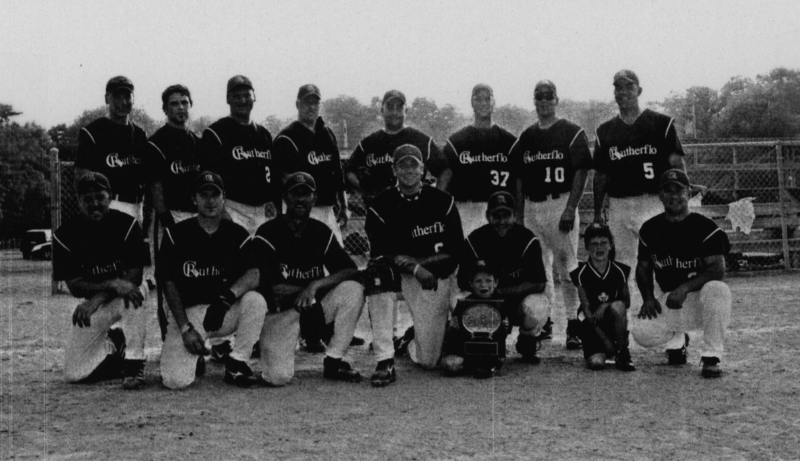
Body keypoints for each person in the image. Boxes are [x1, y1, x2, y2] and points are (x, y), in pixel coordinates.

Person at [247, 172, 365, 386]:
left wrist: (314, 286)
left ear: (314, 198)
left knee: (353, 289)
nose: (300, 199)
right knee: (277, 377)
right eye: (295, 194)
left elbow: (350, 270)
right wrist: (305, 291)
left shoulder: (320, 231)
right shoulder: (268, 232)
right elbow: (273, 288)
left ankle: (334, 359)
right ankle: (271, 346)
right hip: (280, 314)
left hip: (311, 306)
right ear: (285, 197)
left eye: (306, 194)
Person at [365, 144, 464, 386]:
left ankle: (409, 340)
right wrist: (415, 269)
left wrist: (420, 263)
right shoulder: (380, 204)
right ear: (394, 170)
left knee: (429, 361)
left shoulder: (443, 201)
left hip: (433, 278)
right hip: (399, 276)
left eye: (414, 165)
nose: (409, 170)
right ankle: (384, 359)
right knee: (377, 274)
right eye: (403, 165)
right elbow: (380, 256)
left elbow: (456, 251)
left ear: (423, 170)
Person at [158, 171, 268, 389]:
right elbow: (168, 285)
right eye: (204, 195)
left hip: (223, 311)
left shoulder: (237, 233)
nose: (210, 201)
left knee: (255, 301)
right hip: (190, 314)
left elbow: (254, 274)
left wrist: (227, 298)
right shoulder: (175, 234)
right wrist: (184, 328)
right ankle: (195, 353)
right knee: (175, 381)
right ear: (194, 199)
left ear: (223, 197)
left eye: (215, 195)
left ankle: (237, 362)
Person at [510, 79, 591, 350]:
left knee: (568, 267)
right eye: (539, 97)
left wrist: (571, 207)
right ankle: (544, 322)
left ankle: (574, 323)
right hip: (533, 206)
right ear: (534, 101)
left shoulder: (571, 131)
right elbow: (519, 180)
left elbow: (581, 171)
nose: (544, 101)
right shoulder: (527, 136)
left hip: (560, 202)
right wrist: (520, 217)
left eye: (548, 96)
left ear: (557, 99)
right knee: (539, 269)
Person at [592, 69, 686, 302]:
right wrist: (596, 212)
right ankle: (625, 321)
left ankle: (671, 325)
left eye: (628, 87)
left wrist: (682, 200)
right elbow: (601, 174)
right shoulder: (605, 131)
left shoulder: (661, 123)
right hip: (620, 203)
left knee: (662, 260)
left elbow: (676, 164)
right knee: (623, 264)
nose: (622, 92)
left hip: (653, 200)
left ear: (639, 90)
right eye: (618, 87)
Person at [53, 172, 150, 389]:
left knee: (136, 292)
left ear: (110, 197)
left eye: (100, 197)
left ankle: (134, 361)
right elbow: (75, 285)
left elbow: (134, 276)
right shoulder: (65, 234)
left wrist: (100, 296)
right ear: (78, 201)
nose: (95, 204)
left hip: (117, 299)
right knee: (73, 374)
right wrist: (111, 285)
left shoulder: (127, 224)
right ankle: (116, 347)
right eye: (87, 199)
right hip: (95, 304)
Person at [631, 169, 731, 378]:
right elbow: (643, 268)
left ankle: (712, 356)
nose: (674, 196)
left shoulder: (705, 227)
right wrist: (648, 297)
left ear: (689, 192)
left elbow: (718, 269)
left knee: (718, 289)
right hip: (671, 301)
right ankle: (677, 342)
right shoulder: (650, 228)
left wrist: (685, 288)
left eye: (679, 191)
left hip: (700, 300)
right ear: (660, 195)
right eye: (668, 191)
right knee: (642, 333)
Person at [458, 191, 550, 364]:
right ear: (487, 216)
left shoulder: (527, 239)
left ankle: (527, 338)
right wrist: (486, 293)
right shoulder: (475, 239)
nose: (501, 221)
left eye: (506, 215)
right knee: (458, 299)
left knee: (537, 306)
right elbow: (462, 280)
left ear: (514, 215)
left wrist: (501, 291)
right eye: (496, 216)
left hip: (516, 301)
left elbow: (538, 284)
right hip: (485, 300)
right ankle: (477, 341)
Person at [199, 75, 280, 235]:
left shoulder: (264, 134)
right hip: (233, 208)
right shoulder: (216, 132)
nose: (242, 100)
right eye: (236, 96)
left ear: (254, 97)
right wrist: (221, 212)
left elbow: (274, 177)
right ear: (228, 99)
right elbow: (207, 178)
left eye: (247, 95)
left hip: (264, 210)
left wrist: (276, 208)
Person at [439, 84, 517, 236]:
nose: (483, 103)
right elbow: (444, 178)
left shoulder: (509, 141)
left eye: (487, 99)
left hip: (500, 210)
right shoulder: (457, 142)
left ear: (494, 103)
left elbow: (519, 181)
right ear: (472, 103)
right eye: (478, 99)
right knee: (467, 256)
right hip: (466, 209)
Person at [274, 84, 347, 243]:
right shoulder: (286, 138)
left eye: (315, 103)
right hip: (302, 213)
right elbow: (281, 181)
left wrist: (344, 206)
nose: (311, 107)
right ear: (297, 104)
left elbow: (338, 172)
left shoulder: (327, 134)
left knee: (337, 260)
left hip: (328, 211)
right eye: (307, 103)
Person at [345, 89, 447, 203]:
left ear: (406, 111)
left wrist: (436, 199)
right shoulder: (369, 143)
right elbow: (349, 172)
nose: (394, 112)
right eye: (389, 107)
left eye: (399, 108)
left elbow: (445, 170)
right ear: (382, 110)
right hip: (378, 211)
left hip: (413, 210)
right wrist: (365, 190)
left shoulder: (421, 140)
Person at [74, 76, 147, 223]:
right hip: (108, 205)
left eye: (127, 97)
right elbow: (81, 176)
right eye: (117, 97)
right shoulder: (93, 132)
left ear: (134, 99)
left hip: (137, 206)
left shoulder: (140, 134)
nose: (123, 102)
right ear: (107, 98)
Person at [569, 223, 634, 371]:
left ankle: (623, 351)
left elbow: (626, 302)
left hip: (611, 317)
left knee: (618, 306)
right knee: (596, 363)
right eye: (594, 244)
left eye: (603, 243)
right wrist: (605, 340)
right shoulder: (580, 273)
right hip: (592, 323)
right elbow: (586, 310)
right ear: (586, 247)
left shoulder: (620, 270)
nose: (599, 248)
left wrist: (605, 305)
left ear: (610, 245)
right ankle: (608, 347)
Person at [145, 84, 201, 228]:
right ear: (165, 109)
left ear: (190, 105)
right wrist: (166, 218)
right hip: (171, 215)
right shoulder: (155, 143)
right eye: (174, 103)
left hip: (198, 214)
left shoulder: (199, 142)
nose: (181, 107)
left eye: (184, 103)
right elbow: (155, 187)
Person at [441, 262, 508, 378]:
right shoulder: (463, 304)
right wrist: (453, 327)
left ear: (496, 283)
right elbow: (454, 335)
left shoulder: (500, 304)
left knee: (497, 358)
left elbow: (502, 334)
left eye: (488, 281)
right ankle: (476, 366)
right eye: (478, 281)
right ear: (471, 284)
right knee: (449, 364)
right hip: (465, 350)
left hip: (490, 350)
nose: (484, 285)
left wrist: (505, 327)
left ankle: (485, 366)